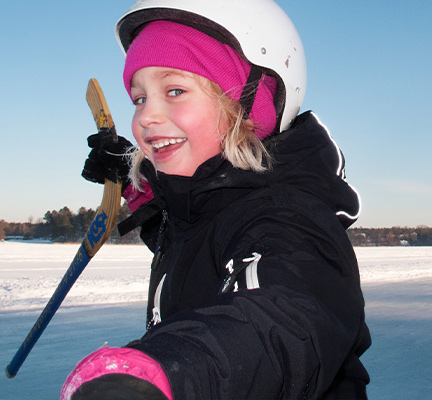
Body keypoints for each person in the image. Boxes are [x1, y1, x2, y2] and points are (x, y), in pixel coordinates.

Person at [62, 1, 371, 399]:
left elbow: (286, 319)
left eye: (174, 91)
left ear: (248, 106)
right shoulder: (206, 210)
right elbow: (188, 237)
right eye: (139, 99)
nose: (145, 117)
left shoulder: (290, 217)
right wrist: (131, 179)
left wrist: (172, 373)